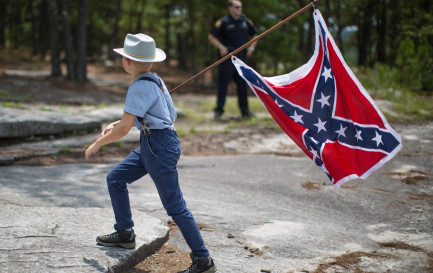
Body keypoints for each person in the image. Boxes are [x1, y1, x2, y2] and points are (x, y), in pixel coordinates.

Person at [85, 33, 216, 273]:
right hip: (155, 143)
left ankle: (203, 260)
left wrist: (98, 143)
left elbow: (126, 128)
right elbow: (164, 116)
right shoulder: (156, 80)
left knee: (175, 207)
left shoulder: (139, 86)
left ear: (127, 62)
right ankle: (125, 233)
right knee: (115, 178)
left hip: (158, 147)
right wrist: (117, 123)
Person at [208, 0, 258, 119]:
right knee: (223, 85)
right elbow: (211, 36)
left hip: (242, 58)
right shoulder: (224, 22)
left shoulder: (245, 21)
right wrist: (221, 47)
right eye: (237, 7)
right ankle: (219, 111)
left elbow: (255, 35)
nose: (239, 9)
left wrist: (251, 48)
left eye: (240, 7)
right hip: (228, 58)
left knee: (242, 85)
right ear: (230, 8)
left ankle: (245, 111)